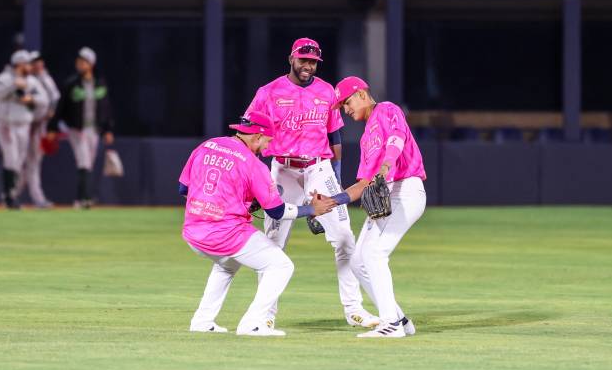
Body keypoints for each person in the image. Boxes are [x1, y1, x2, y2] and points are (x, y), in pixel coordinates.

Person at [243, 38, 379, 329]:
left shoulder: (327, 91)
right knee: (272, 243)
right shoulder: (268, 92)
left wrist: (337, 179)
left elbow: (335, 137)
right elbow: (249, 133)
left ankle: (354, 310)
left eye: (313, 61)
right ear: (291, 58)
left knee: (344, 238)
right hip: (283, 170)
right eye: (303, 59)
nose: (308, 65)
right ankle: (264, 315)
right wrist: (251, 178)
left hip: (320, 168)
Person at [180, 112, 336, 336]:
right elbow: (278, 211)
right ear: (257, 136)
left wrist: (227, 203)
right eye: (267, 141)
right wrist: (312, 209)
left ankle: (202, 321)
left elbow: (184, 190)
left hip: (193, 232)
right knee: (281, 266)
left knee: (226, 264)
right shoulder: (253, 165)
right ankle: (253, 323)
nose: (267, 148)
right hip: (226, 233)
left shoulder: (207, 146)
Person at [330, 76, 427, 338]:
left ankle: (389, 325)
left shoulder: (387, 109)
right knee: (359, 260)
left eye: (346, 103)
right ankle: (399, 319)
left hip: (406, 189)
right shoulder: (364, 140)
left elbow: (397, 139)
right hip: (388, 192)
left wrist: (385, 167)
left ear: (361, 94)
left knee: (374, 254)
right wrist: (332, 202)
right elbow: (363, 183)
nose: (345, 110)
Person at [47, 47, 113, 209]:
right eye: (79, 61)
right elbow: (61, 107)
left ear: (91, 64)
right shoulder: (71, 84)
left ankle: (84, 197)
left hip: (94, 130)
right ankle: (83, 199)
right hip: (77, 129)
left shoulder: (100, 83)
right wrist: (52, 127)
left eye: (83, 62)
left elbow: (106, 108)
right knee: (84, 161)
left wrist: (108, 129)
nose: (80, 64)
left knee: (88, 163)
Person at [0, 50, 47, 209]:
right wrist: (13, 84)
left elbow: (44, 100)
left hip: (24, 124)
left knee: (19, 160)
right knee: (11, 158)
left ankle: (10, 194)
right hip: (6, 123)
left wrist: (31, 98)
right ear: (19, 64)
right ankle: (9, 197)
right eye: (27, 63)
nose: (30, 66)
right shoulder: (5, 78)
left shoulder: (32, 81)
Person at [14, 51, 60, 209]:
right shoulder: (22, 80)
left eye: (39, 61)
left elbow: (54, 100)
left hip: (39, 125)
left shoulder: (45, 80)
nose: (37, 64)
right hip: (22, 125)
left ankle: (27, 197)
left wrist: (52, 121)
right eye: (33, 62)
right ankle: (11, 195)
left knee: (33, 163)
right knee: (18, 161)